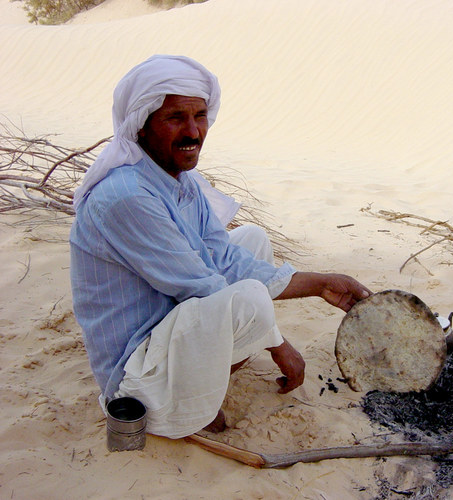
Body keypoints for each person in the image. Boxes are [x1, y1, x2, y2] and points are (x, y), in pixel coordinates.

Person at [69, 55, 371, 439]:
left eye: (200, 116)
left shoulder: (177, 180)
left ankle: (196, 383)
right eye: (176, 118)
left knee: (252, 240)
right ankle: (174, 407)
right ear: (141, 127)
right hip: (134, 371)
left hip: (167, 326)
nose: (193, 132)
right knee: (249, 301)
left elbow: (224, 258)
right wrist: (277, 343)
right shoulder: (126, 196)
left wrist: (321, 283)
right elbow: (201, 284)